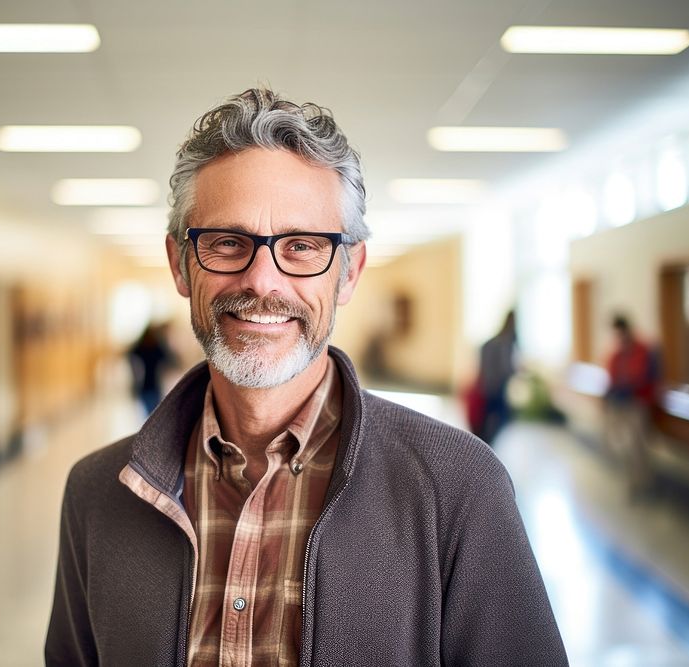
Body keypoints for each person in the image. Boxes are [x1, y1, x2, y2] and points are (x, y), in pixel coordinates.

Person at [45, 89, 567, 666]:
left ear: (348, 272)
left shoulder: (458, 490)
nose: (263, 281)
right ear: (180, 264)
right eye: (226, 242)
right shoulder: (96, 495)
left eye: (301, 246)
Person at [604, 314, 658, 498]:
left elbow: (641, 377)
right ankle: (633, 484)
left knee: (638, 447)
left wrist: (625, 386)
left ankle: (644, 484)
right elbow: (612, 376)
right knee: (625, 446)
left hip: (637, 404)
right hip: (621, 405)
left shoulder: (643, 350)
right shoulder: (617, 353)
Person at [475, 310, 518, 444]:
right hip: (498, 387)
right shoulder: (506, 343)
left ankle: (483, 444)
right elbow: (506, 368)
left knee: (487, 419)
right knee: (501, 418)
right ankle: (486, 444)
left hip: (486, 386)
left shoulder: (490, 343)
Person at [128, 322, 176, 416]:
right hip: (147, 385)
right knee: (151, 411)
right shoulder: (149, 348)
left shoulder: (154, 347)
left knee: (153, 411)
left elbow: (168, 359)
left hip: (152, 385)